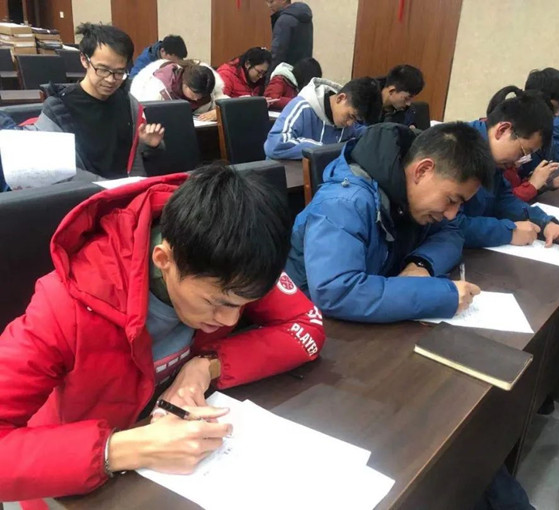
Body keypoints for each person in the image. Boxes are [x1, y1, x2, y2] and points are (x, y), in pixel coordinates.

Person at [0, 164, 326, 508]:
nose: (231, 318)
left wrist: (207, 366)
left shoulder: (233, 265)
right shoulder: (69, 306)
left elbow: (308, 325)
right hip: (73, 486)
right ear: (164, 259)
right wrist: (123, 448)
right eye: (216, 303)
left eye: (243, 305)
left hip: (172, 474)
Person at [285, 122, 491, 322]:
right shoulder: (344, 202)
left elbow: (451, 231)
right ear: (422, 170)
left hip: (365, 318)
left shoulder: (411, 196)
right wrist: (441, 296)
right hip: (311, 322)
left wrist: (422, 264)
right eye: (452, 200)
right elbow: (336, 292)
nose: (452, 214)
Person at [32, 23, 165, 181]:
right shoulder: (58, 109)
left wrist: (150, 146)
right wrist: (106, 187)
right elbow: (57, 171)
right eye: (102, 70)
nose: (110, 79)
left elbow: (142, 166)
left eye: (119, 72)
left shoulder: (129, 104)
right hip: (83, 193)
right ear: (84, 60)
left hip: (127, 191)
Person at [459, 86, 559, 253]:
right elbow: (450, 225)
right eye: (523, 152)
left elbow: (504, 200)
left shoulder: (494, 159)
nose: (520, 161)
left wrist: (545, 223)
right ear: (502, 130)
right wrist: (509, 232)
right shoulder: (458, 151)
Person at [485, 86, 559, 202]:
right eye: (523, 152)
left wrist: (548, 181)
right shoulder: (493, 159)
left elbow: (506, 198)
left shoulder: (506, 156)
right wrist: (533, 185)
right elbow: (500, 203)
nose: (558, 116)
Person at [264, 76, 381, 160]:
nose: (350, 123)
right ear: (340, 98)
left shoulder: (350, 121)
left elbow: (364, 133)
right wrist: (322, 150)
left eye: (356, 120)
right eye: (351, 116)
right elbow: (274, 145)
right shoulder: (302, 107)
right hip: (288, 181)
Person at [130, 59, 225, 116]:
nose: (197, 99)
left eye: (202, 96)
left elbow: (224, 101)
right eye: (194, 94)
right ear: (185, 83)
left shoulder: (206, 83)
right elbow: (146, 114)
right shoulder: (157, 89)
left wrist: (219, 112)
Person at [266, 0, 313, 74]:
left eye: (271, 2)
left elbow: (278, 53)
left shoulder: (284, 20)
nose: (269, 6)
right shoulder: (305, 18)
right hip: (303, 72)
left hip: (285, 74)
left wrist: (269, 77)